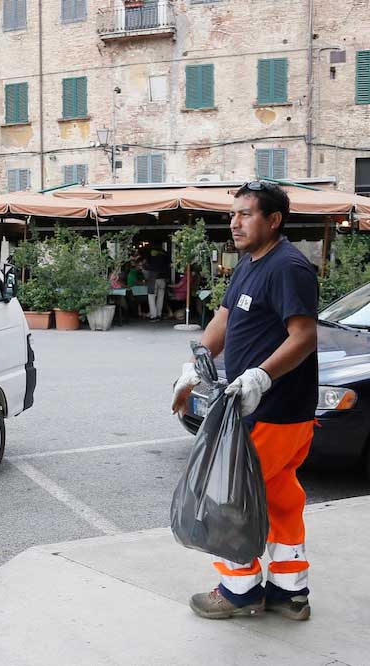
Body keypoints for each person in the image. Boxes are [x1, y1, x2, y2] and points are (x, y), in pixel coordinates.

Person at [172, 181, 318, 621]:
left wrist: (260, 375)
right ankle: (289, 589)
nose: (234, 222)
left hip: (271, 410)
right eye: (233, 214)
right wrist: (197, 363)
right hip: (269, 411)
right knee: (280, 499)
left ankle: (238, 590)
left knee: (229, 498)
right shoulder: (250, 264)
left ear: (273, 220)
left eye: (246, 214)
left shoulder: (288, 266)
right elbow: (226, 316)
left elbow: (305, 336)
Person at [144, 242, 171, 321]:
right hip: (162, 278)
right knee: (160, 297)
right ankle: (159, 314)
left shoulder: (149, 253)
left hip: (153, 277)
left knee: (151, 297)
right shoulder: (164, 254)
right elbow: (169, 265)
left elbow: (146, 265)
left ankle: (153, 315)